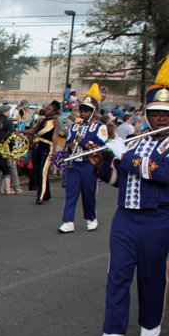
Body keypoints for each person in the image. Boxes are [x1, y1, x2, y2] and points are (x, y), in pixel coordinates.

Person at [89, 59, 169, 336]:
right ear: (147, 114)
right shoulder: (134, 141)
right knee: (118, 272)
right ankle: (113, 330)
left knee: (151, 273)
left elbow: (161, 173)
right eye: (155, 113)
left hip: (158, 218)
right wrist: (102, 167)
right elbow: (121, 182)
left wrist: (124, 157)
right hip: (125, 217)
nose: (161, 119)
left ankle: (150, 323)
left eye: (165, 114)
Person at [59, 84, 107, 233]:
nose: (83, 113)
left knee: (88, 193)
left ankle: (91, 218)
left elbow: (100, 147)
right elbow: (67, 143)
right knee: (71, 193)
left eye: (86, 111)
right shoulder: (74, 127)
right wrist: (70, 147)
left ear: (93, 112)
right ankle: (68, 221)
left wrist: (83, 142)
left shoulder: (100, 127)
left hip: (88, 165)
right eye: (82, 110)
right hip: (74, 164)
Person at [18, 100, 61, 204]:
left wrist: (54, 150)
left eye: (49, 109)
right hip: (39, 147)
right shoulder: (41, 120)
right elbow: (34, 131)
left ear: (54, 112)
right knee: (39, 171)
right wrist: (21, 131)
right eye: (46, 109)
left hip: (48, 148)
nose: (46, 111)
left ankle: (40, 196)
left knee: (44, 172)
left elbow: (55, 137)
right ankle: (47, 193)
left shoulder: (55, 122)